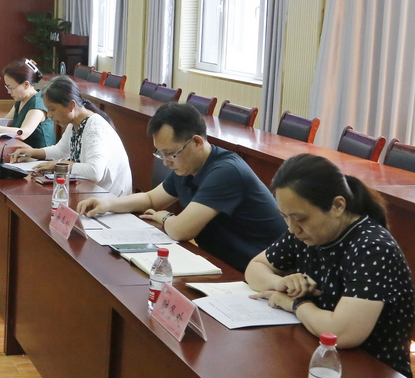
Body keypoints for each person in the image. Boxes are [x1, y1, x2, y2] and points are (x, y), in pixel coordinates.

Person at [245, 154, 415, 376]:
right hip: (318, 354)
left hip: (372, 374)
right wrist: (281, 283)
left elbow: (340, 334)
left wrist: (294, 303)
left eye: (300, 219)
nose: (292, 228)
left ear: (337, 206)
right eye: (285, 217)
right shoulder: (305, 233)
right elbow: (255, 267)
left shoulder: (373, 248)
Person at [76, 102, 286, 271]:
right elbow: (151, 199)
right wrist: (107, 205)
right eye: (160, 154)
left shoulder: (226, 171)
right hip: (225, 262)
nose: (166, 162)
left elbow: (180, 230)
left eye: (170, 154)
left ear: (197, 142)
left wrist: (165, 217)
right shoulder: (187, 167)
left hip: (264, 269)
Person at [12, 76, 132, 197]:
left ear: (71, 105)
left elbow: (95, 172)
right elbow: (60, 151)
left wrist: (60, 164)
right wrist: (32, 153)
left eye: (52, 109)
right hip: (91, 192)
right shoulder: (75, 123)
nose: (49, 115)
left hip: (110, 198)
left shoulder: (95, 128)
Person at [0, 59, 55, 148]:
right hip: (22, 150)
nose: (9, 92)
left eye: (11, 88)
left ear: (26, 85)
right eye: (7, 87)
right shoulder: (20, 100)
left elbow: (23, 133)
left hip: (40, 154)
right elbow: (5, 122)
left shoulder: (38, 103)